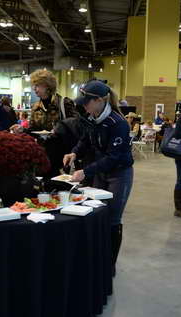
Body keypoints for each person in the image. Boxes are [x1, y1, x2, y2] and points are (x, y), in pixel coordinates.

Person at [63, 80, 133, 277]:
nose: (84, 105)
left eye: (87, 101)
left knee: (113, 218)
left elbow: (114, 157)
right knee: (96, 214)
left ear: (101, 100)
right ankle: (97, 258)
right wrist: (75, 153)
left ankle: (109, 265)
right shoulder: (91, 116)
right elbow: (85, 139)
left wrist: (85, 172)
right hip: (99, 172)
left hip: (119, 174)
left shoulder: (118, 124)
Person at [10, 69, 76, 134]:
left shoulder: (64, 103)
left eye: (37, 85)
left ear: (47, 85)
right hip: (40, 144)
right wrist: (22, 129)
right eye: (33, 85)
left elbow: (76, 126)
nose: (34, 88)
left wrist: (59, 130)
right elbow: (32, 130)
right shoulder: (35, 107)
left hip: (61, 144)